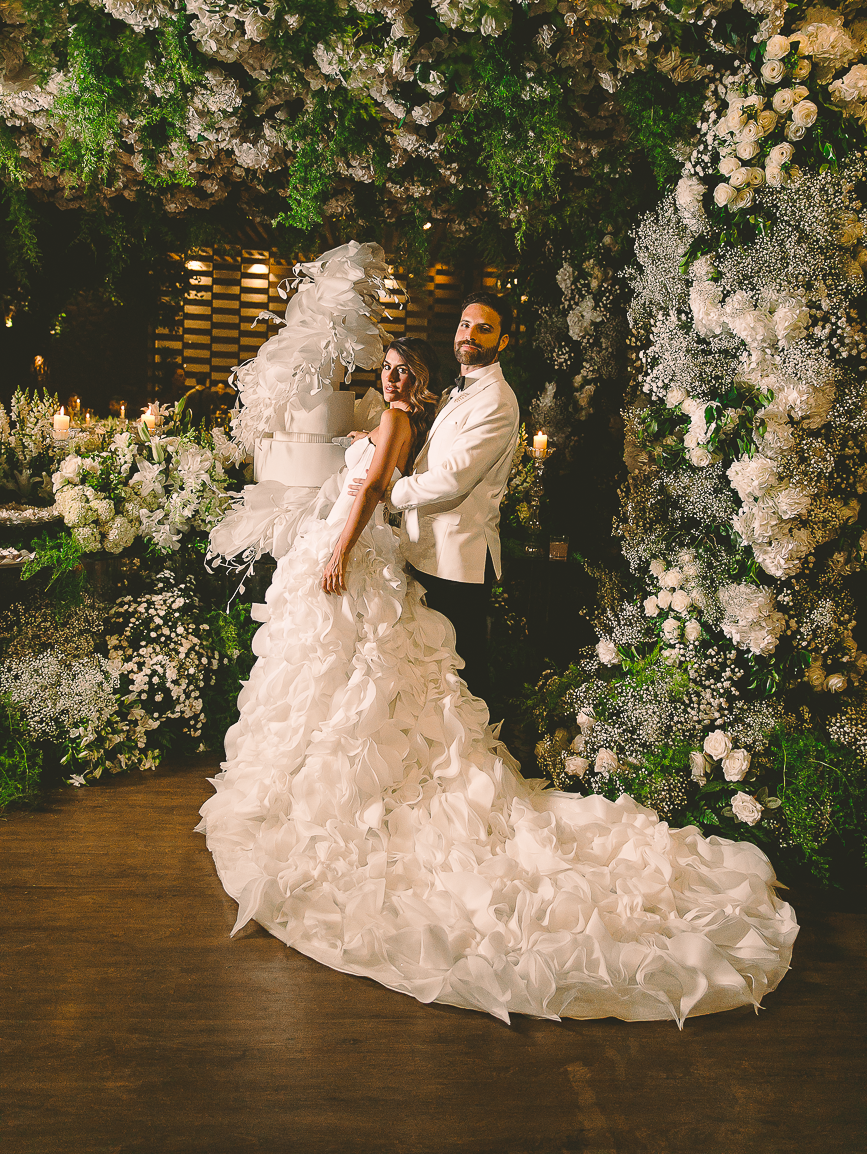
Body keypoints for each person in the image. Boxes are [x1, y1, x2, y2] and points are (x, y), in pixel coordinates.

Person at [198, 333, 797, 1027]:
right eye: (386, 371)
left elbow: (369, 493)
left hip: (352, 553)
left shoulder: (401, 421)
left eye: (404, 373)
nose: (391, 381)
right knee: (334, 677)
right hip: (350, 549)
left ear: (418, 383)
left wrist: (335, 550)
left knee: (358, 677)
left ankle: (353, 788)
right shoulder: (393, 418)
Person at [356, 294, 518, 700]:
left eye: (485, 329)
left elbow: (452, 479)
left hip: (458, 557)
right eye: (466, 324)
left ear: (502, 342)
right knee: (434, 667)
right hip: (426, 549)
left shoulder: (497, 400)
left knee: (462, 672)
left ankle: (478, 756)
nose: (471, 334)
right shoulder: (455, 391)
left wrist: (389, 492)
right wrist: (375, 442)